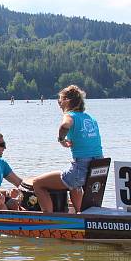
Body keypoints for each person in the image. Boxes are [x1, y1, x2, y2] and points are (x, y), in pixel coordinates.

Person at [31, 85, 103, 213]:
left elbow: (64, 126)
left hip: (81, 170)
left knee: (37, 183)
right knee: (74, 186)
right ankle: (82, 215)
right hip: (98, 169)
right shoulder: (90, 118)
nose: (59, 103)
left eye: (60, 100)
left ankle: (48, 220)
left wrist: (61, 139)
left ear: (67, 101)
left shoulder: (70, 115)